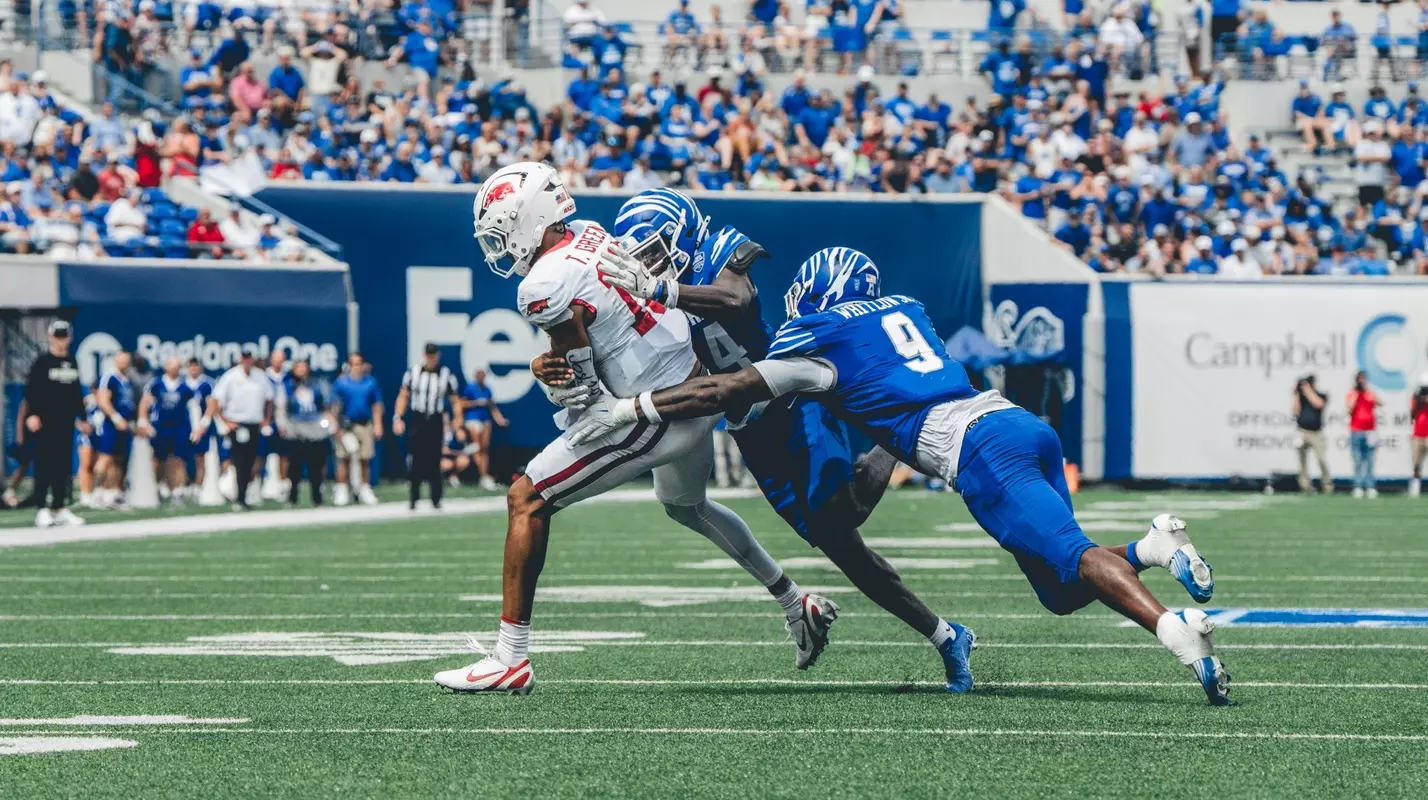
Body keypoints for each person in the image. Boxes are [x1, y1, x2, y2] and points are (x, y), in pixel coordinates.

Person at [571, 247, 1229, 706]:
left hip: (981, 451)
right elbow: (889, 402)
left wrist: (638, 406)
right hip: (1019, 425)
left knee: (1074, 558)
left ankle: (1181, 639)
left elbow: (741, 385)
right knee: (1060, 590)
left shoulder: (817, 337)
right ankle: (1153, 548)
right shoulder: (905, 308)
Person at [434, 163, 830, 695]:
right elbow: (587, 333)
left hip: (654, 413)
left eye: (503, 230)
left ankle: (510, 659)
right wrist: (546, 365)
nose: (501, 246)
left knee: (526, 497)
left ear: (530, 220)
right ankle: (794, 602)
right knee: (685, 505)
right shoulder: (589, 233)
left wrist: (556, 379)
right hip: (688, 382)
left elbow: (578, 374)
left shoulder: (543, 283)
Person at [589, 188, 978, 687]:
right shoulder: (650, 287)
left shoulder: (719, 252)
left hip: (787, 398)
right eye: (640, 256)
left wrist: (661, 292)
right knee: (837, 543)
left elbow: (736, 298)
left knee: (845, 511)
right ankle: (948, 637)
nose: (648, 265)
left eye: (656, 250)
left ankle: (893, 440)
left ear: (685, 235)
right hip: (747, 426)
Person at [21, 320, 89, 527]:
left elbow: (76, 393)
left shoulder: (72, 362)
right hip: (44, 422)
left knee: (63, 465)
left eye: (64, 336)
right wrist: (32, 415)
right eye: (57, 336)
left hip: (65, 422)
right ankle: (41, 507)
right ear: (51, 337)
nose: (61, 340)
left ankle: (60, 506)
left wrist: (82, 418)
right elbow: (31, 391)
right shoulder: (42, 362)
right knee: (44, 464)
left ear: (70, 337)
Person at [393, 343, 461, 511]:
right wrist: (398, 417)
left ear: (437, 355)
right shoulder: (413, 373)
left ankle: (436, 499)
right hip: (418, 418)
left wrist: (457, 422)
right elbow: (403, 395)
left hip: (435, 420)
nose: (431, 358)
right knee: (416, 460)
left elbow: (455, 400)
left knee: (435, 459)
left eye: (434, 355)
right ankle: (413, 499)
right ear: (425, 355)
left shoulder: (446, 374)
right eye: (429, 355)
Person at [213, 347, 275, 511]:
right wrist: (225, 421)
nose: (247, 361)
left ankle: (244, 494)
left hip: (254, 424)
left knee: (252, 460)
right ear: (240, 359)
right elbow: (216, 400)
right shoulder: (230, 376)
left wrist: (266, 420)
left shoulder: (260, 377)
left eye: (249, 358)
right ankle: (239, 496)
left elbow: (269, 399)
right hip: (237, 424)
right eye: (244, 358)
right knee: (238, 460)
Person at [136, 358, 196, 506]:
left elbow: (194, 406)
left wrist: (196, 427)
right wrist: (143, 421)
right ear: (165, 367)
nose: (174, 369)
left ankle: (177, 491)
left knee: (178, 460)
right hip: (160, 427)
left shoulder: (185, 386)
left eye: (177, 366)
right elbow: (145, 402)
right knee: (159, 460)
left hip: (179, 427)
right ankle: (159, 486)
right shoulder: (156, 384)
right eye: (172, 365)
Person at [330, 352, 383, 506]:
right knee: (343, 458)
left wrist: (378, 424)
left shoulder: (370, 382)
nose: (356, 367)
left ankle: (364, 488)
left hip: (364, 424)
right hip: (346, 425)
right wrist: (336, 426)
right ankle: (342, 489)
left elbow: (376, 405)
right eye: (353, 364)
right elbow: (335, 405)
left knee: (364, 458)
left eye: (359, 363)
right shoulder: (341, 383)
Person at [280, 359, 332, 507]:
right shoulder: (288, 385)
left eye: (304, 367)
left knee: (316, 467)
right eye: (298, 367)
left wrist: (328, 425)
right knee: (294, 467)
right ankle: (292, 497)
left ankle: (317, 497)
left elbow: (326, 405)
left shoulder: (317, 384)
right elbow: (283, 406)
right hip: (296, 429)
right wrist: (285, 425)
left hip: (315, 429)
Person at [94, 349, 137, 508]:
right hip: (111, 424)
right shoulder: (109, 377)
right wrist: (116, 418)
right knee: (105, 458)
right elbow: (103, 400)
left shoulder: (127, 380)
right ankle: (97, 490)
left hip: (125, 425)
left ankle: (111, 492)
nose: (124, 363)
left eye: (126, 360)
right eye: (121, 360)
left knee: (119, 460)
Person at [459, 369, 508, 490]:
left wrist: (500, 419)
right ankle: (483, 475)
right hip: (473, 419)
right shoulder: (470, 388)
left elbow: (492, 407)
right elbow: (462, 404)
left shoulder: (487, 389)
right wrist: (476, 403)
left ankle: (484, 476)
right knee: (477, 448)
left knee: (484, 448)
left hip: (485, 419)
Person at [1292, 374, 1331, 494]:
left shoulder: (1321, 395)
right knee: (1302, 460)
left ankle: (1327, 485)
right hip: (1302, 431)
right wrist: (1297, 394)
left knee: (1321, 459)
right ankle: (1305, 485)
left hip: (1316, 433)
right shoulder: (1301, 397)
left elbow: (1318, 404)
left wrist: (1308, 391)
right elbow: (1294, 411)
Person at [1347, 370, 1380, 499]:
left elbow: (1379, 402)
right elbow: (1350, 407)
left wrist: (1367, 390)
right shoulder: (1353, 394)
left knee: (1370, 460)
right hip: (1356, 430)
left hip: (1370, 431)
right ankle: (1358, 486)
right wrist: (1357, 392)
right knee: (1358, 460)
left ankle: (1370, 485)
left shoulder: (1369, 393)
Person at [184, 359, 216, 495]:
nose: (194, 369)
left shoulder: (207, 383)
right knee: (181, 457)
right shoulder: (182, 382)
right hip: (184, 425)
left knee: (200, 458)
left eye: (196, 366)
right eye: (191, 366)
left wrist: (203, 424)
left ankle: (198, 488)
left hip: (201, 426)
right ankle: (183, 485)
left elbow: (212, 404)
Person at [1411, 374, 1428, 498]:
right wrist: (1419, 400)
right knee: (1416, 463)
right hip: (1418, 435)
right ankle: (1416, 484)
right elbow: (1412, 414)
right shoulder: (1416, 400)